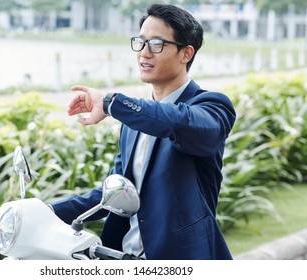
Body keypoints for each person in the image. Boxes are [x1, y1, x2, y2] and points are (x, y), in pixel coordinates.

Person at [51, 3, 236, 260]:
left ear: (186, 53)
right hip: (124, 257)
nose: (144, 53)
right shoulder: (134, 121)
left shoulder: (212, 107)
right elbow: (115, 194)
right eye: (140, 42)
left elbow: (177, 122)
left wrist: (111, 103)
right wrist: (45, 212)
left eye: (157, 44)